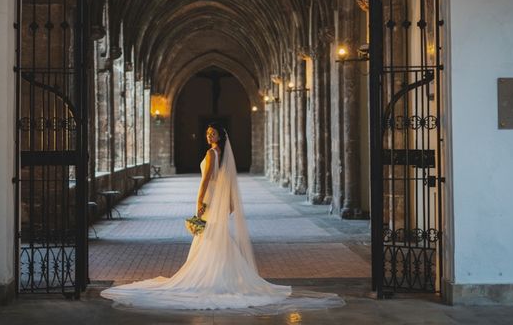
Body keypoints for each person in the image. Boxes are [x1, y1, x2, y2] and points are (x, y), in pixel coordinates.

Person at [100, 123, 344, 312]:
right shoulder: (221, 155)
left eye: (213, 133)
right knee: (215, 237)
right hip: (217, 200)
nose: (209, 136)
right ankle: (225, 273)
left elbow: (206, 181)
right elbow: (225, 183)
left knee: (208, 238)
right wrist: (226, 202)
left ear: (220, 136)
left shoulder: (211, 154)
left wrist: (198, 202)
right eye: (207, 133)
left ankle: (213, 274)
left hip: (209, 199)